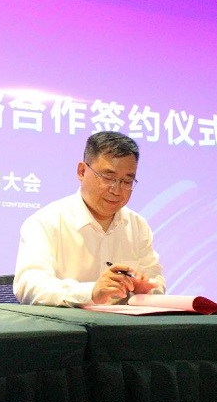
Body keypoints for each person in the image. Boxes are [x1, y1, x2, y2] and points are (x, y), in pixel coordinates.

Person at [14, 131, 165, 306]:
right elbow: (30, 285)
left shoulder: (137, 226)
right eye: (108, 177)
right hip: (69, 323)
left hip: (123, 323)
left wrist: (145, 289)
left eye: (126, 181)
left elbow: (156, 280)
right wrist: (91, 292)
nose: (116, 190)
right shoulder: (46, 222)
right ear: (82, 171)